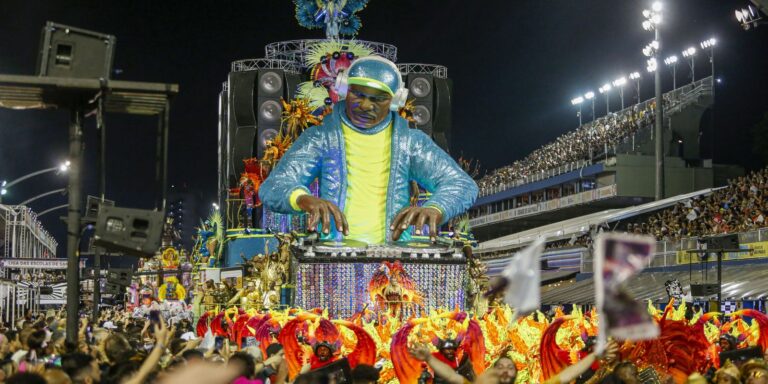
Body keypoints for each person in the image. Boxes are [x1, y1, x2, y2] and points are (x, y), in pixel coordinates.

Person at [260, 55, 478, 245]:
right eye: (358, 95)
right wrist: (304, 199)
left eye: (377, 99)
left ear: (395, 101)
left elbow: (461, 184)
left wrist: (436, 208)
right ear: (344, 90)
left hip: (392, 264)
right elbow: (273, 186)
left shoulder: (410, 143)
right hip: (333, 259)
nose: (365, 106)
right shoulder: (320, 139)